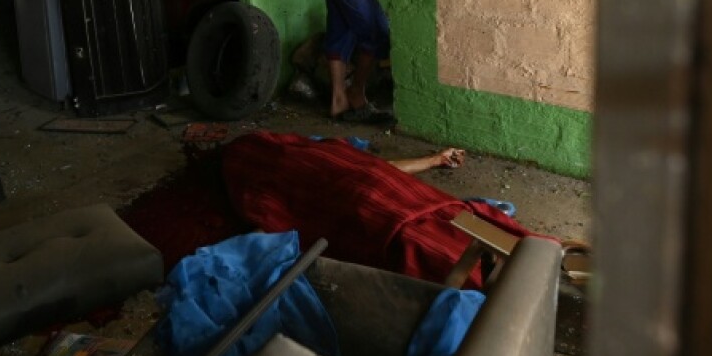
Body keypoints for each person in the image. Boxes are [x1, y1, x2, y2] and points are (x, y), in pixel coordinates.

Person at [221, 130, 532, 289]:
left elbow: (382, 167)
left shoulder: (322, 151)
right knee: (425, 238)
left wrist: (436, 159)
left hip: (384, 191)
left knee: (439, 227)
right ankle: (521, 277)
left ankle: (521, 274)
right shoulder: (274, 180)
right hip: (370, 202)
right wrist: (434, 159)